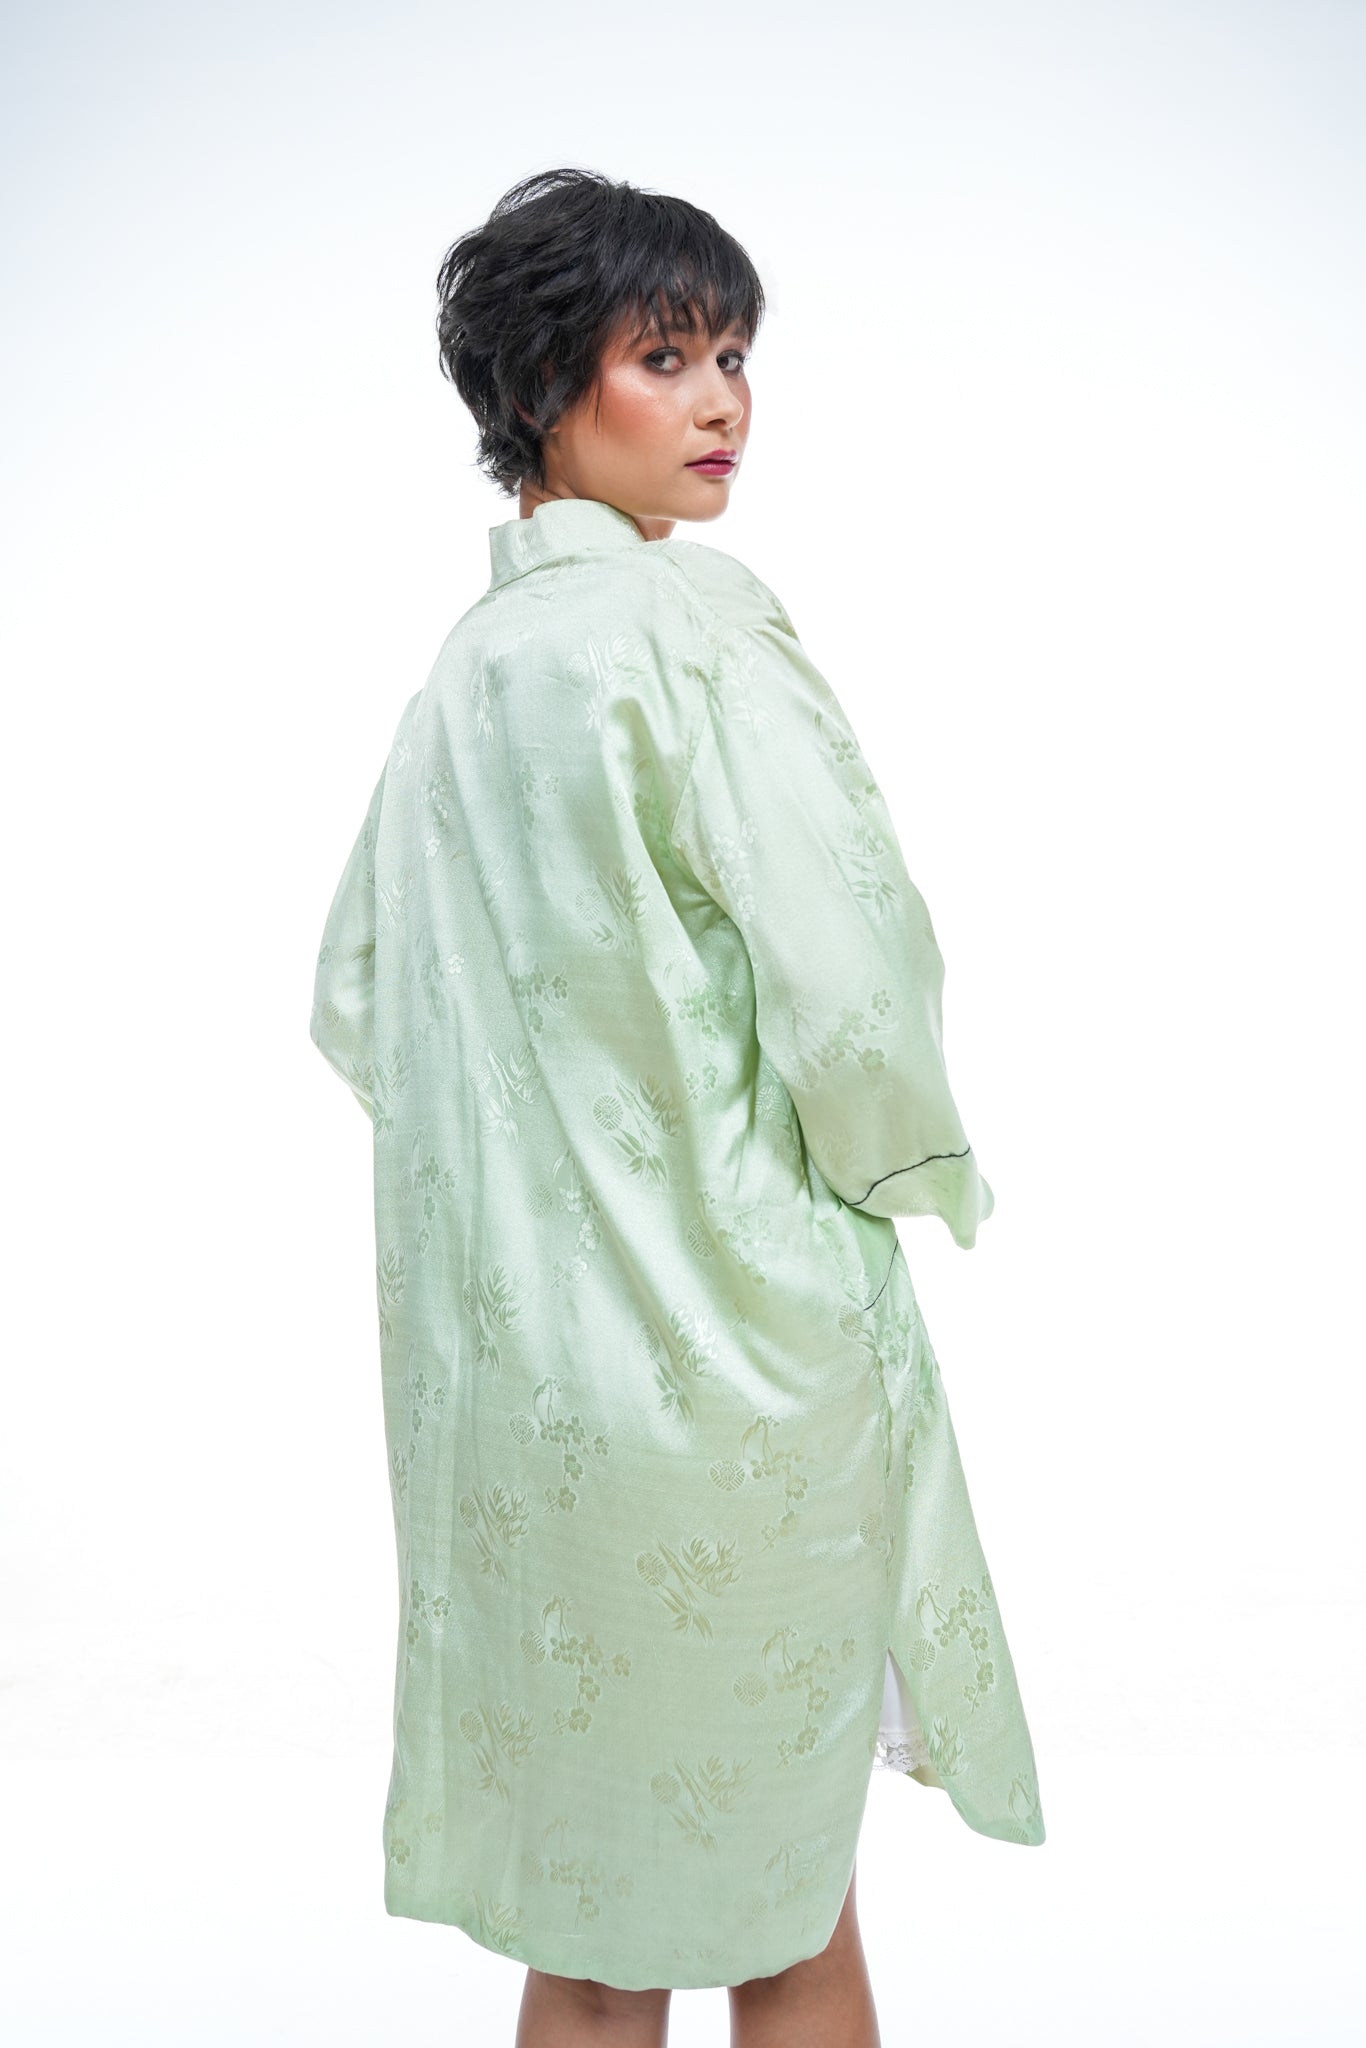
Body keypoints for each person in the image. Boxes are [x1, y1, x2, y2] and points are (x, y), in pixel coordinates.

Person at [309, 166, 1045, 2048]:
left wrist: (545, 1154)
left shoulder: (461, 680)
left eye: (732, 355)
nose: (722, 400)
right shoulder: (692, 631)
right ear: (540, 388)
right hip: (739, 1367)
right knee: (787, 1914)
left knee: (591, 1926)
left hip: (522, 1406)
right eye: (665, 357)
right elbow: (853, 971)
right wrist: (909, 1167)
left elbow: (359, 1002)